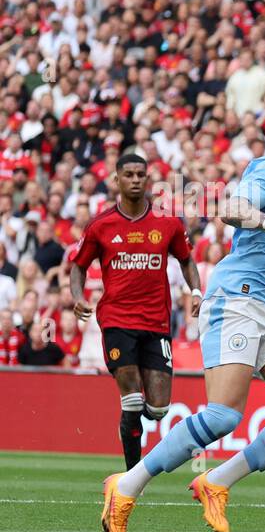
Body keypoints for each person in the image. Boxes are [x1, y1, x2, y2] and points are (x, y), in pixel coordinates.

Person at [100, 95, 265, 532]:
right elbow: (230, 209)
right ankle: (127, 484)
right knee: (222, 416)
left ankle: (216, 481)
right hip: (238, 298)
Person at [69, 153, 201, 471]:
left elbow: (186, 260)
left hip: (156, 321)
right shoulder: (101, 226)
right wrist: (77, 296)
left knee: (158, 409)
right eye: (128, 174)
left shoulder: (168, 224)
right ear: (117, 179)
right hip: (117, 319)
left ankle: (134, 420)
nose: (135, 179)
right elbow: (78, 265)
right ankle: (132, 474)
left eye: (140, 174)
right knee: (130, 397)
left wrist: (195, 291)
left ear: (148, 179)